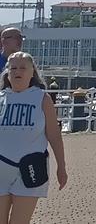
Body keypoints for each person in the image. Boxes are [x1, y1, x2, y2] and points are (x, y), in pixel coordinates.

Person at [0, 52, 67, 224]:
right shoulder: (1, 99)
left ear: (32, 72)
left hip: (31, 168)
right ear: (7, 72)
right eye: (13, 68)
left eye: (23, 68)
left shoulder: (42, 99)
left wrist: (61, 166)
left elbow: (53, 135)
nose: (17, 71)